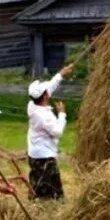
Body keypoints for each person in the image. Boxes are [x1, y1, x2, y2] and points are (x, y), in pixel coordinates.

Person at [26, 64, 74, 200]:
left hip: (34, 152)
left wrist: (61, 74)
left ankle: (36, 201)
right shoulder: (43, 116)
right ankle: (50, 204)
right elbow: (57, 132)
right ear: (45, 96)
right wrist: (62, 114)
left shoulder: (32, 104)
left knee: (37, 180)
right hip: (44, 156)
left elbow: (49, 87)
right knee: (52, 186)